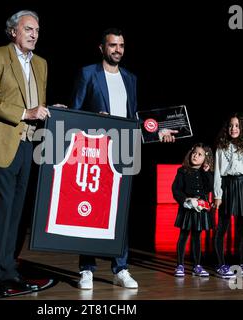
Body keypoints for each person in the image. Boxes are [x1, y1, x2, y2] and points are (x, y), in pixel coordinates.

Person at [71, 28, 176, 290]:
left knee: (120, 213)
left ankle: (121, 268)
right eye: (113, 45)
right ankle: (87, 269)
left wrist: (157, 131)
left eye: (121, 46)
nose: (118, 50)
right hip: (94, 152)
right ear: (102, 48)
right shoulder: (87, 73)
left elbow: (134, 118)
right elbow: (75, 112)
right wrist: (96, 119)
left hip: (123, 153)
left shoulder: (130, 78)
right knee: (91, 211)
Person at [0, 10, 51, 296]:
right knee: (0, 212)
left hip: (27, 145)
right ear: (12, 32)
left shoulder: (41, 64)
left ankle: (8, 270)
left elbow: (36, 104)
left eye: (37, 30)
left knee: (16, 214)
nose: (34, 34)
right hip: (0, 143)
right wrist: (25, 112)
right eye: (28, 29)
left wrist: (51, 111)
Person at [213, 112, 243, 279]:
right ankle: (221, 264)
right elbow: (218, 173)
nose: (233, 128)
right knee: (222, 228)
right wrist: (217, 195)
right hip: (227, 186)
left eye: (236, 126)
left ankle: (241, 264)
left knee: (242, 229)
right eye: (230, 125)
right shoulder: (221, 147)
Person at [172, 143, 214, 277]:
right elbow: (176, 190)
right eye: (194, 153)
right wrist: (185, 201)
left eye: (200, 154)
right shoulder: (182, 171)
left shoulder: (204, 173)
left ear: (205, 159)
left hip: (200, 209)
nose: (195, 155)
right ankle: (180, 265)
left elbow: (209, 188)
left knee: (197, 237)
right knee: (183, 236)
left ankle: (197, 266)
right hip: (188, 207)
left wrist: (207, 173)